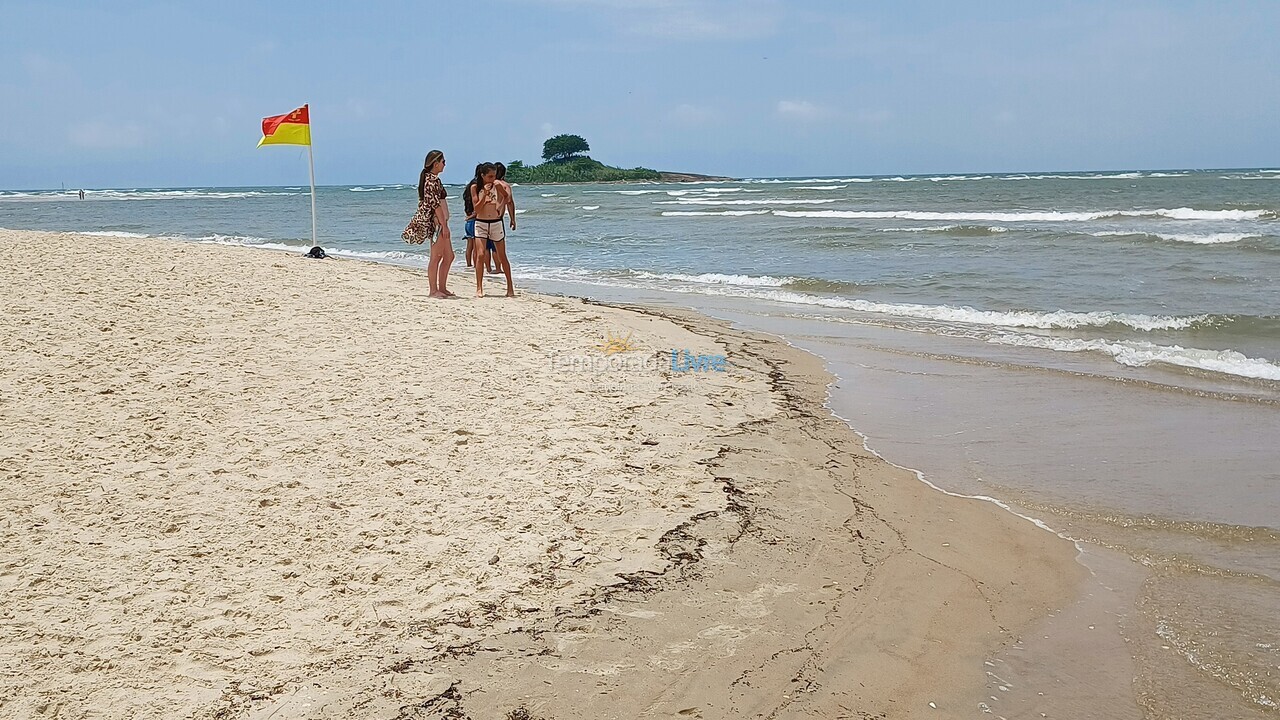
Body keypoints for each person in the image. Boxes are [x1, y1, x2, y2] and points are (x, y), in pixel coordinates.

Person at [401, 150, 456, 298]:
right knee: (436, 256)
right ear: (435, 163)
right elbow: (435, 204)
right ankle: (433, 290)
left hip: (441, 223)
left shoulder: (434, 180)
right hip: (437, 224)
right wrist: (443, 225)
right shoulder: (430, 181)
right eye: (443, 161)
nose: (445, 164)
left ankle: (442, 288)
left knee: (449, 256)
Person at [469, 163, 510, 297]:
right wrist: (485, 195)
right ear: (483, 175)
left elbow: (507, 197)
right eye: (490, 176)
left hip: (496, 222)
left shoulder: (498, 185)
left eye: (494, 176)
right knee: (480, 255)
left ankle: (510, 287)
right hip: (481, 222)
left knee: (502, 256)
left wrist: (501, 206)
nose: (492, 179)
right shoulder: (475, 187)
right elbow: (477, 208)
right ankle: (479, 287)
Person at [492, 162, 517, 295]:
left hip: (484, 220)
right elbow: (510, 202)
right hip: (498, 220)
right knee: (500, 250)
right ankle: (508, 285)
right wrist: (513, 219)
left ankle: (481, 283)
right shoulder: (505, 186)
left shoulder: (489, 184)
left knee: (482, 251)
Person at [462, 164, 480, 268]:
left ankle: (468, 265)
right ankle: (475, 266)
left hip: (469, 219)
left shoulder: (469, 185)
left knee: (469, 245)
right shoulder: (477, 185)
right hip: (474, 219)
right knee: (477, 246)